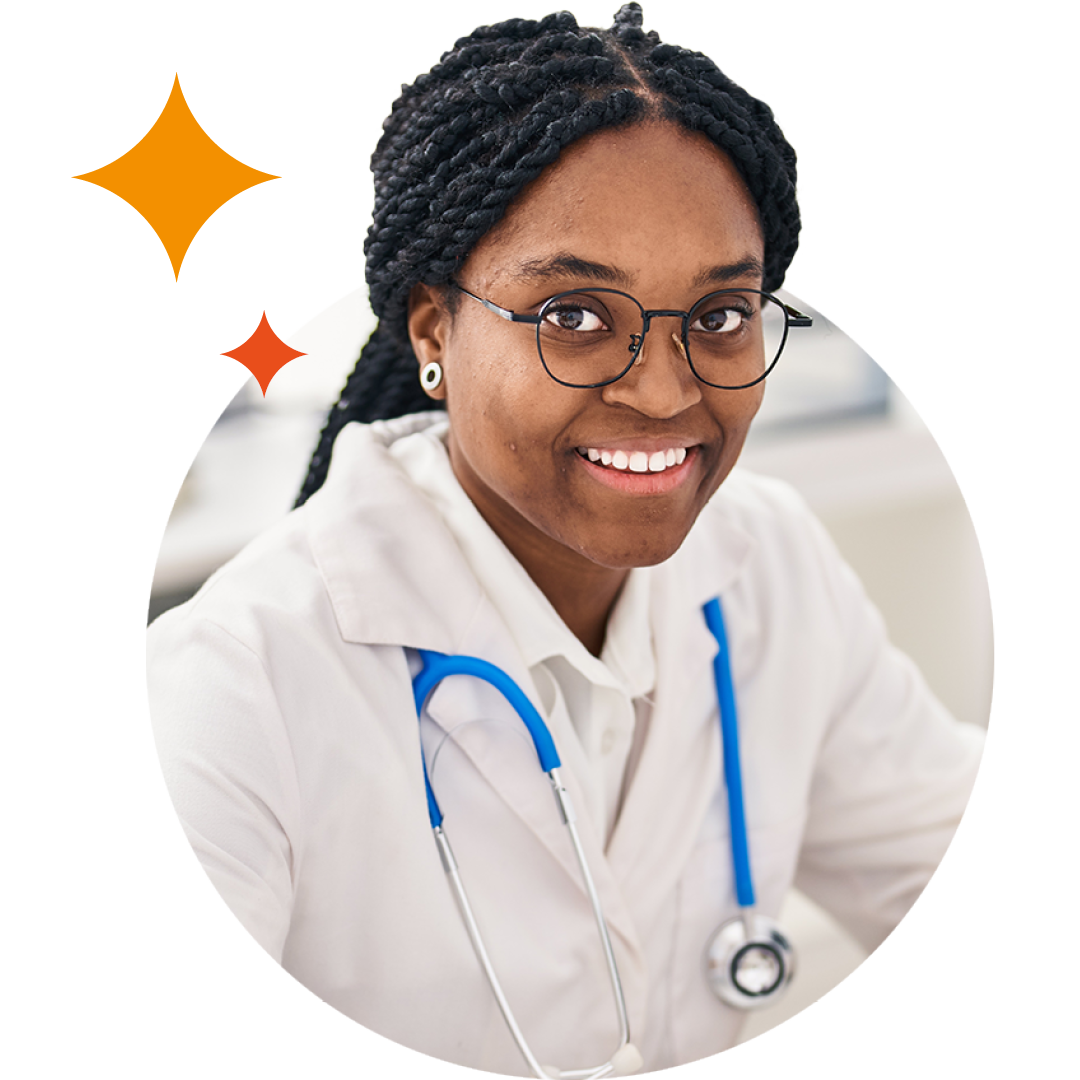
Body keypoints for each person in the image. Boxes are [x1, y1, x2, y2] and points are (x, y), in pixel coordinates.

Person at [146, 5, 985, 1075]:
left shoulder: (769, 564)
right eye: (575, 316)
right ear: (432, 327)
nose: (665, 390)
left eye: (721, 314)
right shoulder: (233, 683)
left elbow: (975, 862)